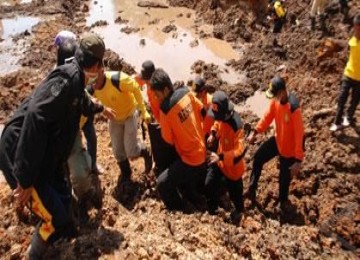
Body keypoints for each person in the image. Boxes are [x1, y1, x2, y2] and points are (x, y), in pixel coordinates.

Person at [0, 33, 108, 258]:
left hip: (45, 152)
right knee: (55, 219)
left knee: (66, 208)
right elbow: (36, 116)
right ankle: (34, 255)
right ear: (97, 64)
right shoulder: (67, 79)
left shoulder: (76, 76)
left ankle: (62, 235)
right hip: (20, 150)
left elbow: (80, 100)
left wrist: (99, 108)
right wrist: (25, 177)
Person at [150, 68, 207, 211]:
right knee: (186, 183)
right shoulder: (187, 92)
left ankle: (182, 210)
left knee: (161, 185)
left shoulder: (166, 110)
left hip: (191, 159)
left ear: (165, 90)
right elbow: (202, 111)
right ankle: (194, 196)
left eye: (157, 95)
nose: (157, 99)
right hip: (203, 150)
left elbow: (168, 140)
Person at [245, 76, 304, 210]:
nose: (273, 98)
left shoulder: (294, 108)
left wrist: (298, 160)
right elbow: (267, 116)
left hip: (288, 151)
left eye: (275, 95)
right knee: (258, 158)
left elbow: (300, 135)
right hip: (278, 140)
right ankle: (251, 190)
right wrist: (255, 131)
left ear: (282, 92)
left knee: (283, 180)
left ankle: (283, 203)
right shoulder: (275, 100)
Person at [89, 63, 153, 188]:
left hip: (129, 115)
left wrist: (144, 111)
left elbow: (135, 88)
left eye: (95, 78)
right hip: (114, 119)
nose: (93, 83)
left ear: (102, 71)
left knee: (131, 151)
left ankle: (145, 151)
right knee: (118, 151)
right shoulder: (91, 87)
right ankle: (126, 173)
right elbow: (88, 99)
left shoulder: (118, 79)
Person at [205, 91, 246, 223]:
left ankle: (240, 215)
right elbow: (217, 124)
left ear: (226, 113)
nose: (216, 118)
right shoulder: (222, 117)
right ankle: (213, 211)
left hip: (233, 170)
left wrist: (220, 157)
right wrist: (212, 134)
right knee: (209, 183)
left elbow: (239, 152)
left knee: (237, 198)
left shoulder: (237, 127)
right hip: (220, 162)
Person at [330, 14, 360, 132]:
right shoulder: (352, 40)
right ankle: (337, 122)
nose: (356, 31)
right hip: (348, 74)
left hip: (359, 79)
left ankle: (348, 117)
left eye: (359, 29)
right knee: (341, 98)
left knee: (354, 101)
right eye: (355, 28)